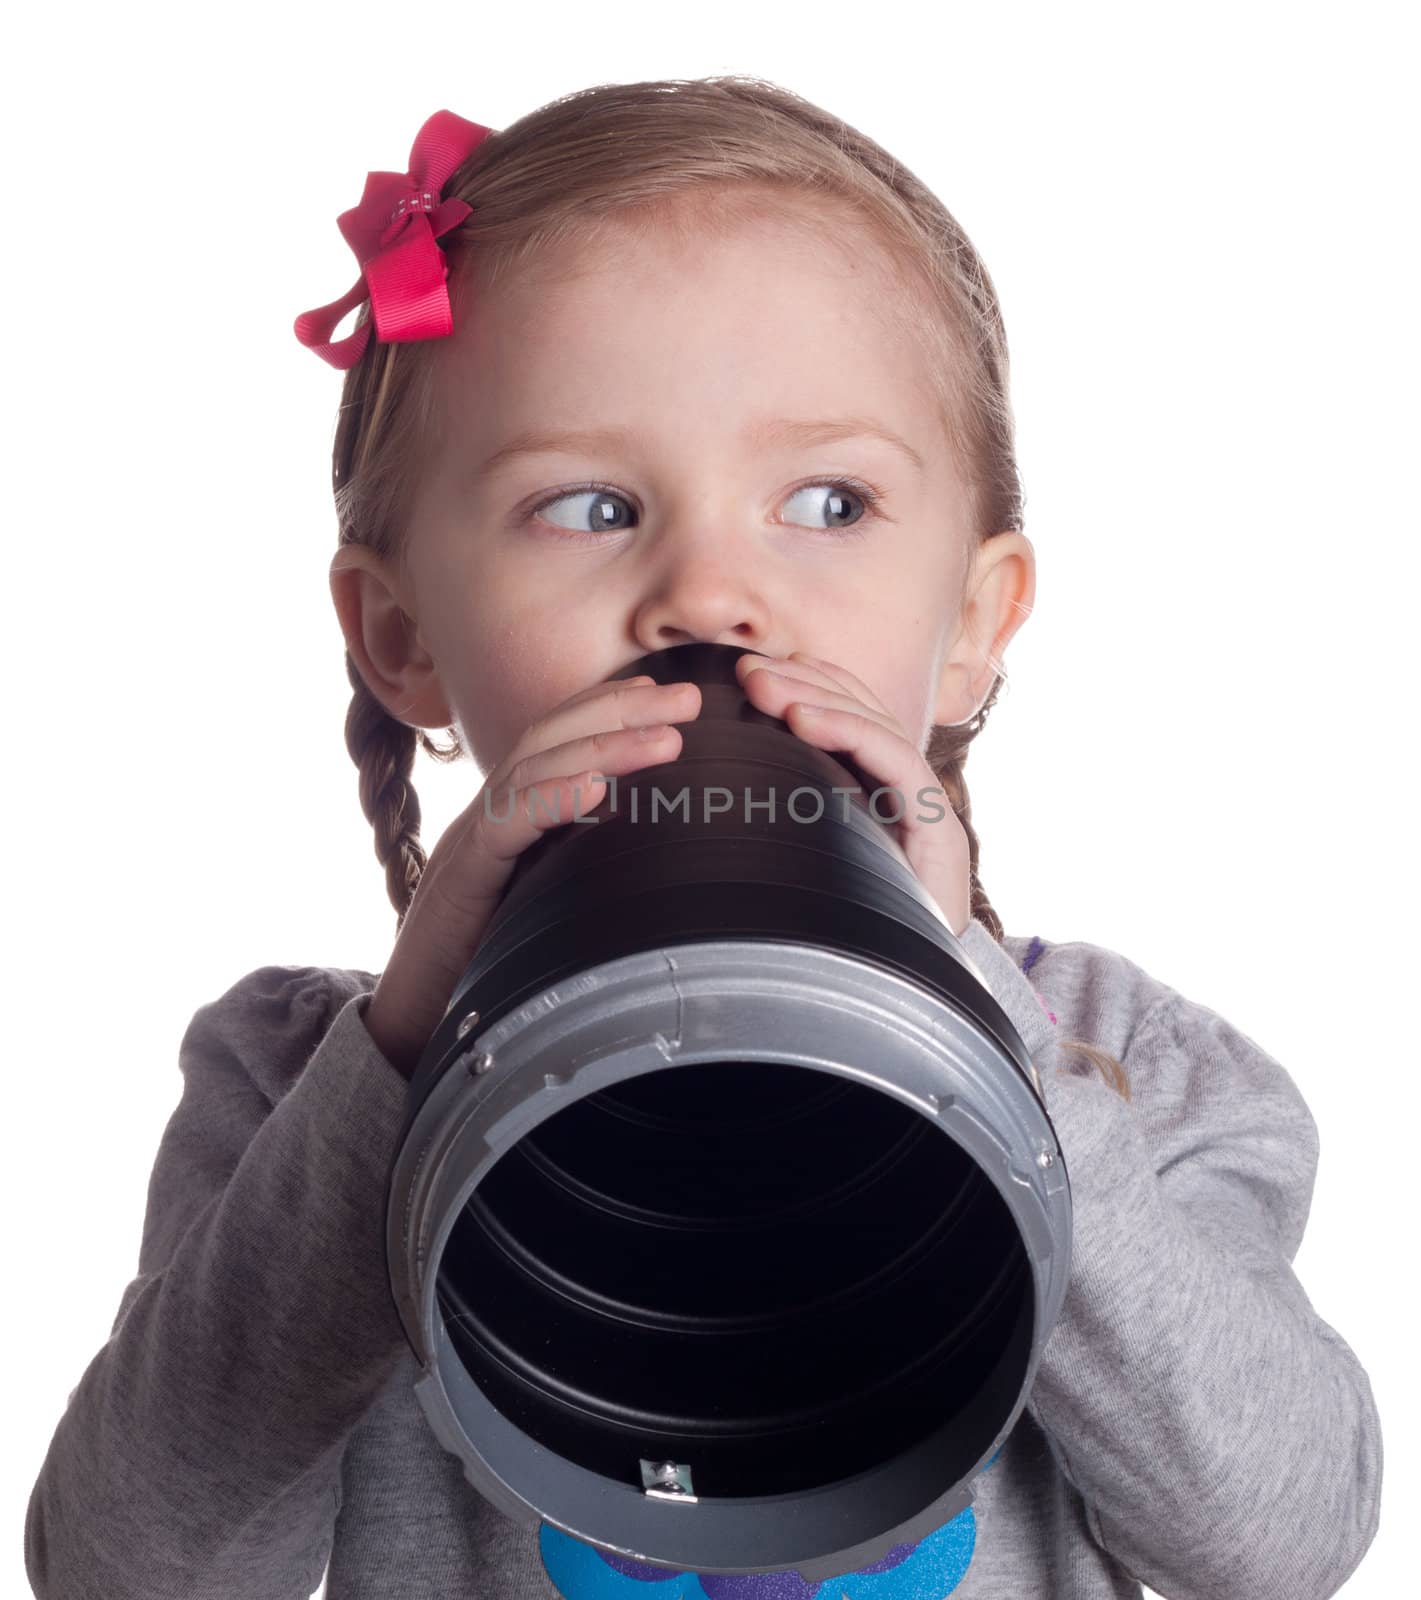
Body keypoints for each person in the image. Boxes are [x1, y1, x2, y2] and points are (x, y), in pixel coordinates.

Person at [24, 76, 1382, 1600]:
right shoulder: (297, 1092)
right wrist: (404, 1063)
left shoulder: (1128, 1066)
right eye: (591, 506)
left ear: (973, 626)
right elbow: (128, 1572)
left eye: (826, 499)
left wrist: (986, 1040)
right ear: (401, 638)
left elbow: (1276, 1543)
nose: (708, 598)